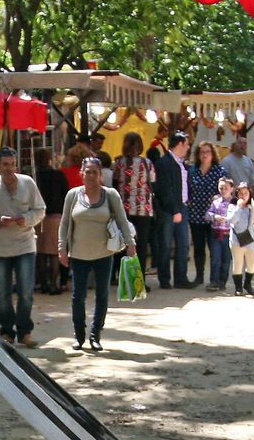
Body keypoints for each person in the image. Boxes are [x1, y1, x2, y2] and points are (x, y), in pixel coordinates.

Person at [58, 157, 137, 350]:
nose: (91, 175)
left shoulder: (110, 195)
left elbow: (122, 220)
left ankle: (95, 335)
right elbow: (65, 223)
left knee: (102, 295)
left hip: (104, 253)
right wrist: (62, 247)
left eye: (95, 172)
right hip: (78, 255)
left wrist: (130, 243)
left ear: (101, 175)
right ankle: (79, 335)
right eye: (88, 172)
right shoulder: (73, 195)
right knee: (78, 296)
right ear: (81, 174)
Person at [0, 147, 46, 347]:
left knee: (26, 291)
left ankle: (25, 331)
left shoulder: (28, 183)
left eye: (12, 164)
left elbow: (40, 209)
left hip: (25, 244)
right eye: (5, 165)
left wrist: (27, 219)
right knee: (3, 293)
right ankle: (7, 331)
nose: (9, 169)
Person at [149, 130, 191, 289]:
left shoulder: (181, 163)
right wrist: (175, 210)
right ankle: (165, 279)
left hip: (183, 206)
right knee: (165, 245)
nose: (188, 148)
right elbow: (165, 189)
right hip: (169, 210)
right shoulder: (164, 163)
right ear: (180, 144)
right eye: (186, 144)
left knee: (183, 245)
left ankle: (181, 278)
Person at [113, 131, 156, 282]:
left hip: (123, 210)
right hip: (143, 210)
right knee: (141, 246)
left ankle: (122, 278)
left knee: (124, 243)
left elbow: (115, 183)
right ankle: (139, 280)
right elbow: (153, 182)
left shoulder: (119, 163)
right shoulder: (147, 163)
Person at [187, 140, 225, 287]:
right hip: (196, 215)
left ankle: (216, 279)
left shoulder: (219, 171)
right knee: (198, 247)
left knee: (215, 248)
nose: (205, 155)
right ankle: (199, 276)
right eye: (202, 152)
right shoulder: (192, 170)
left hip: (214, 216)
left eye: (207, 152)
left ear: (213, 154)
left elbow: (226, 190)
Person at [214, 181, 254, 295]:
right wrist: (239, 207)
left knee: (252, 265)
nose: (243, 195)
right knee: (238, 263)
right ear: (237, 194)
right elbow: (232, 220)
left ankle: (248, 283)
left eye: (246, 193)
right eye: (241, 193)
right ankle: (238, 287)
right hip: (236, 239)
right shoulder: (233, 206)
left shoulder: (253, 206)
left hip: (249, 240)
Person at [35, 147, 71, 294]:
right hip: (56, 216)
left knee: (41, 253)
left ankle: (43, 284)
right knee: (54, 252)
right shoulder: (59, 175)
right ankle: (54, 285)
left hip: (39, 216)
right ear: (49, 159)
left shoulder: (35, 176)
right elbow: (66, 194)